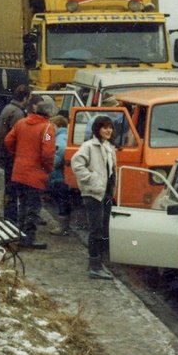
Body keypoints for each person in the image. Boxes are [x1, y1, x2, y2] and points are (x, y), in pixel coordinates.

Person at [4, 98, 57, 249]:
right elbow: (48, 152)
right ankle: (29, 239)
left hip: (19, 172)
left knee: (23, 205)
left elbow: (8, 140)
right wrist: (47, 168)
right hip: (35, 174)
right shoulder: (48, 129)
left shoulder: (21, 123)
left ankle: (20, 234)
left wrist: (18, 154)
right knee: (33, 207)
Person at [71, 115, 117, 280]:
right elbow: (76, 164)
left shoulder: (108, 147)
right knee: (96, 229)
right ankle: (94, 266)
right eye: (105, 127)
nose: (108, 130)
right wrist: (92, 179)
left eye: (110, 127)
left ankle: (99, 263)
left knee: (104, 229)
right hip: (93, 193)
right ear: (97, 129)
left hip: (105, 193)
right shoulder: (89, 146)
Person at [0, 84, 31, 224]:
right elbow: (17, 137)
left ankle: (9, 218)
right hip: (12, 157)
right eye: (29, 97)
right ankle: (11, 220)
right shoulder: (18, 113)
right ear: (25, 98)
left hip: (5, 155)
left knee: (9, 189)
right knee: (13, 190)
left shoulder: (8, 108)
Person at [47, 114, 72, 236]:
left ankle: (63, 227)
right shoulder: (64, 135)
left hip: (58, 176)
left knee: (62, 200)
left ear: (57, 126)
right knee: (63, 200)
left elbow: (60, 150)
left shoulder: (60, 138)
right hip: (61, 175)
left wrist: (52, 163)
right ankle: (64, 226)